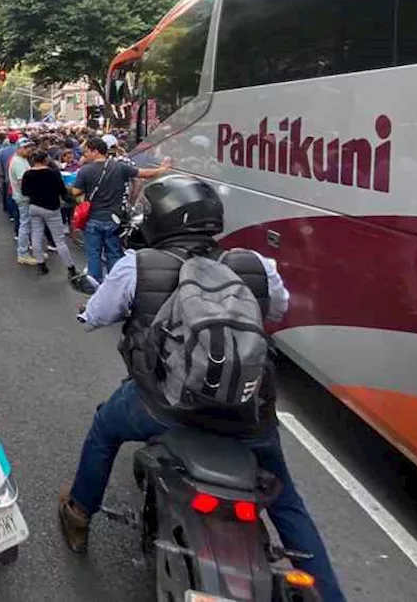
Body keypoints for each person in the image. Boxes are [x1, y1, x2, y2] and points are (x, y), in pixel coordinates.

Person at [59, 175, 344, 602]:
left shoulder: (138, 265)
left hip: (161, 405)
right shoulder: (255, 264)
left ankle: (79, 514)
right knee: (286, 503)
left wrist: (90, 313)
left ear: (155, 220)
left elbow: (98, 314)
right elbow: (277, 310)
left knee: (105, 428)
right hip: (248, 410)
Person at [70, 138, 171, 284]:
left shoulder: (86, 170)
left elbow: (75, 192)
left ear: (95, 151)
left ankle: (95, 285)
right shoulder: (120, 167)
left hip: (93, 219)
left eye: (86, 152)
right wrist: (163, 169)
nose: (85, 155)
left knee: (93, 254)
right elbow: (146, 174)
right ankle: (116, 284)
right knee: (114, 253)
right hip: (114, 219)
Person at [22, 150, 79, 279]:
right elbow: (62, 191)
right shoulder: (53, 174)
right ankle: (71, 268)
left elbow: (25, 192)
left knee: (36, 236)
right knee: (59, 240)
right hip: (52, 208)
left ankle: (41, 265)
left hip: (34, 207)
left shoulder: (28, 174)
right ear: (45, 160)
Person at [7, 141, 38, 265]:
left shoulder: (21, 159)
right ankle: (23, 253)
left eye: (30, 147)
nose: (29, 150)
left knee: (27, 224)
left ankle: (26, 250)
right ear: (19, 148)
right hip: (24, 198)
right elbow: (23, 182)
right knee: (25, 225)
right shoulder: (18, 162)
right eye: (26, 147)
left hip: (24, 197)